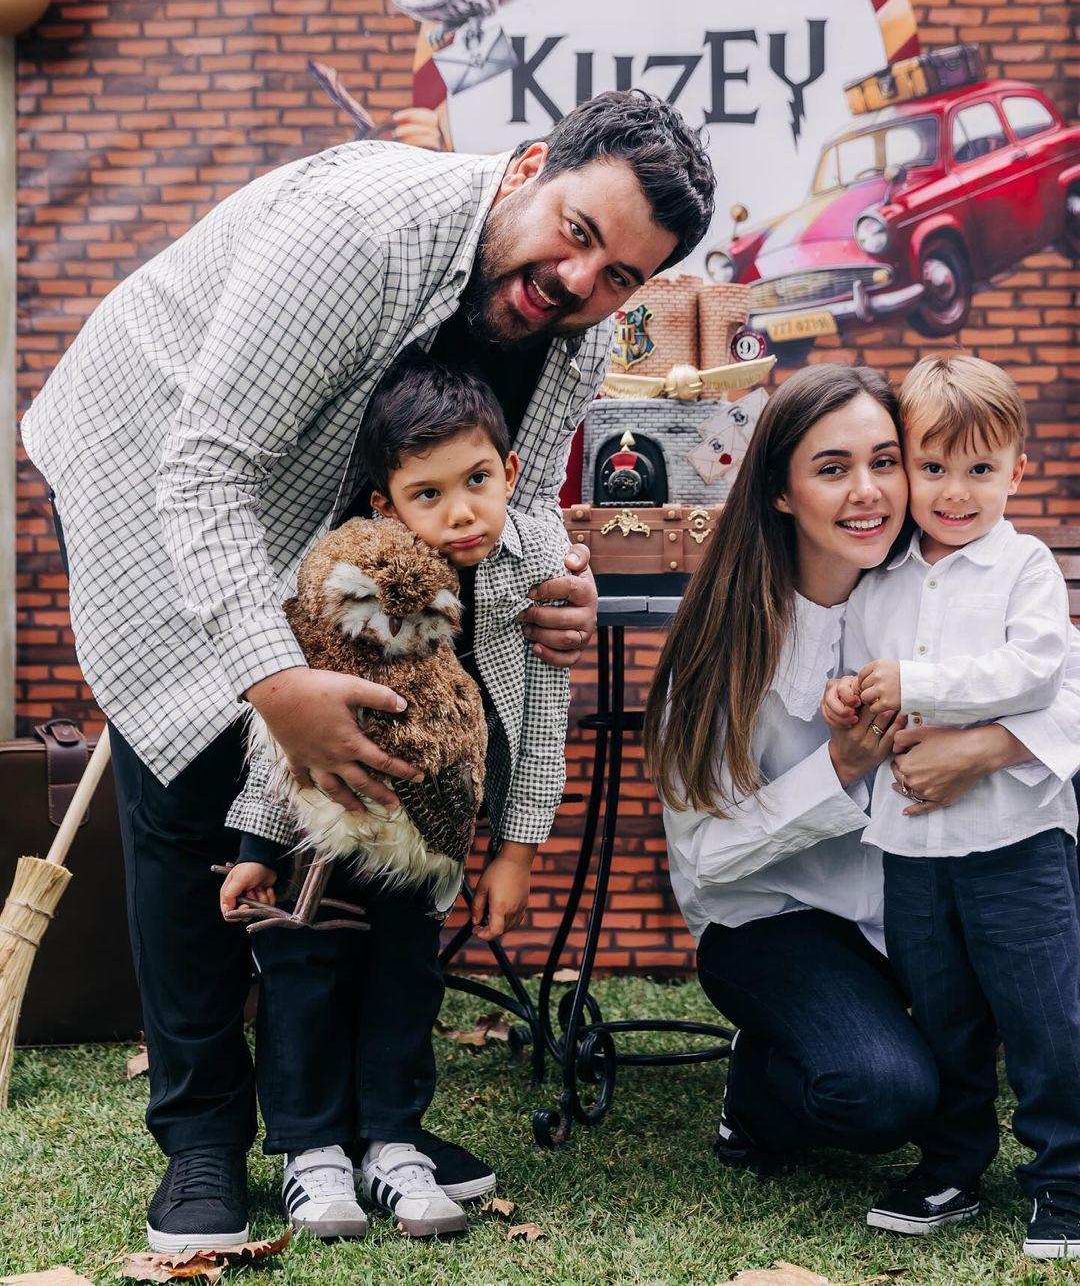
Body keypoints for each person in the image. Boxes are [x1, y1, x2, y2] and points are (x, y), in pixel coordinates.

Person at [19, 89, 715, 1251]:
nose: (579, 285)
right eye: (578, 233)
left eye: (619, 277)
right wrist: (275, 684)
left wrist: (559, 581)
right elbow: (206, 468)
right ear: (531, 166)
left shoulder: (577, 326)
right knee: (193, 781)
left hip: (343, 491)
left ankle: (362, 1124)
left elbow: (529, 496)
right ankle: (200, 1136)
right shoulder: (363, 228)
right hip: (159, 449)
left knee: (401, 787)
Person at [642, 365, 1080, 1188]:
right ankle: (757, 1087)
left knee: (1049, 833)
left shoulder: (939, 581)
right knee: (882, 1093)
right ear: (781, 490)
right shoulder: (724, 645)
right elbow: (706, 863)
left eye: (887, 460)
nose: (870, 490)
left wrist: (991, 748)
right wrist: (840, 770)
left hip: (911, 899)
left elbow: (1069, 688)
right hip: (773, 921)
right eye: (833, 468)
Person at [218, 353, 574, 1239]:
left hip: (431, 832)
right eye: (428, 493)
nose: (460, 512)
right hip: (326, 825)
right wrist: (258, 844)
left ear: (512, 473)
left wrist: (516, 851)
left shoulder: (536, 564)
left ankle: (392, 1142)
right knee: (305, 975)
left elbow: (545, 715)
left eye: (479, 481)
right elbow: (282, 724)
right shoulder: (353, 571)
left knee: (407, 983)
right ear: (385, 503)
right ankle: (311, 1153)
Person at [821, 355, 1079, 1258]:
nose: (955, 491)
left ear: (1019, 470)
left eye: (980, 469)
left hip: (1016, 840)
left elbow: (1036, 672)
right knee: (944, 1014)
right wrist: (846, 698)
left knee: (1045, 1015)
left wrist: (919, 683)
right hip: (913, 844)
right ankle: (953, 1161)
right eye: (933, 468)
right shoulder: (880, 577)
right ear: (905, 470)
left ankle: (1067, 1177)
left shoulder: (1025, 567)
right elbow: (859, 669)